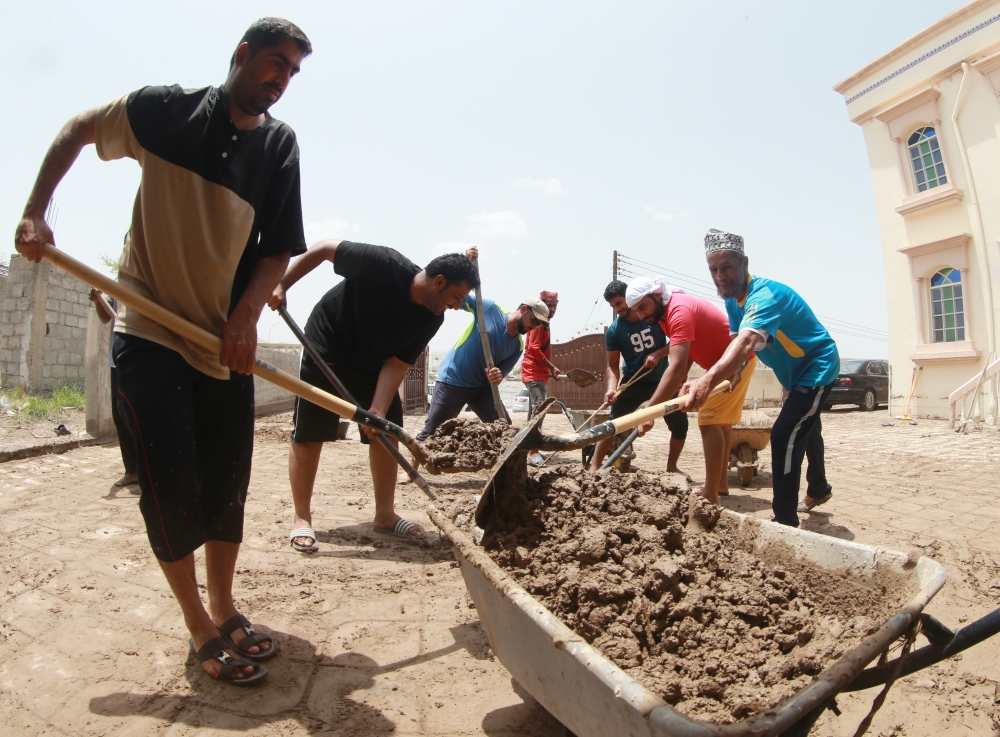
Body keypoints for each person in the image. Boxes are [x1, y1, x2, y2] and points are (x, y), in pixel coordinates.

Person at [15, 17, 313, 685]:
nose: (282, 79)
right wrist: (36, 209)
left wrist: (243, 317)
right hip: (149, 330)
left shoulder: (279, 147)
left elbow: (276, 251)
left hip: (223, 343)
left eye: (293, 71)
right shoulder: (165, 113)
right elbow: (79, 128)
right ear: (241, 55)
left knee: (227, 484)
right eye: (275, 62)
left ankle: (226, 605)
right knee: (171, 482)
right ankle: (198, 622)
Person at [268, 240, 479, 551]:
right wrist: (282, 284)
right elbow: (324, 249)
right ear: (439, 281)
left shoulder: (432, 318)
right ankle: (302, 517)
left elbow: (397, 363)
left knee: (386, 430)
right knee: (310, 432)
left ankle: (385, 516)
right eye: (457, 297)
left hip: (374, 363)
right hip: (328, 347)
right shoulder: (383, 264)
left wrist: (378, 408)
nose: (458, 306)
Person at [681, 229, 839, 527]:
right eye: (713, 270)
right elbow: (736, 344)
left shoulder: (763, 296)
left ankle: (785, 520)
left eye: (727, 267)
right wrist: (734, 372)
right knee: (806, 424)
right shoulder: (732, 300)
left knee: (784, 434)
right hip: (793, 374)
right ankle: (819, 488)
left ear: (744, 263)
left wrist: (706, 381)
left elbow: (746, 343)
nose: (720, 277)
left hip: (817, 367)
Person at [627, 275, 756, 504]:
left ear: (656, 295)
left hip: (735, 365)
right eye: (637, 311)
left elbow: (675, 367)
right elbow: (687, 349)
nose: (641, 315)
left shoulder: (678, 310)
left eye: (643, 307)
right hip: (721, 365)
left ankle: (711, 494)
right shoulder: (665, 314)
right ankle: (720, 485)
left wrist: (649, 412)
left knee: (709, 420)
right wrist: (684, 376)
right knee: (720, 423)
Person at [400, 293, 549, 480]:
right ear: (524, 309)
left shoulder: (516, 347)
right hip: (453, 379)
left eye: (539, 325)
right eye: (534, 321)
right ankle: (411, 471)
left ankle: (508, 475)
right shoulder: (491, 309)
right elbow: (459, 297)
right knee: (433, 428)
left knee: (504, 429)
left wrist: (496, 375)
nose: (534, 327)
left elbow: (499, 375)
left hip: (482, 388)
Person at [590, 280, 688, 473]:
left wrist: (658, 354)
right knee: (613, 423)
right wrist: (611, 388)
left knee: (680, 425)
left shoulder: (653, 316)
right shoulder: (614, 331)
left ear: (629, 297)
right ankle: (594, 468)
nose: (617, 309)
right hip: (634, 382)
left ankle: (672, 467)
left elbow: (678, 340)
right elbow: (612, 365)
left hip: (662, 380)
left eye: (619, 303)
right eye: (613, 306)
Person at [88, 288, 138, 488]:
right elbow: (105, 317)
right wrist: (98, 301)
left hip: (140, 357)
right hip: (117, 359)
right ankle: (133, 471)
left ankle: (150, 468)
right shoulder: (113, 288)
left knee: (137, 414)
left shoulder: (145, 284)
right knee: (120, 413)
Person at [521, 290, 561, 464]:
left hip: (538, 373)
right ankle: (532, 450)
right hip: (534, 372)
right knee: (539, 411)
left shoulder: (545, 323)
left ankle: (526, 448)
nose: (552, 309)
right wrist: (552, 367)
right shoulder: (540, 323)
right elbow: (534, 349)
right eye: (548, 305)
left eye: (554, 305)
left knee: (534, 412)